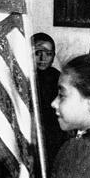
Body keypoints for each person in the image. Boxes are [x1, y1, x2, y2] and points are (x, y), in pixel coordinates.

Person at [32, 32, 68, 169]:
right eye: (37, 52)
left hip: (52, 134)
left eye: (48, 53)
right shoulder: (23, 77)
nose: (43, 58)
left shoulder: (58, 78)